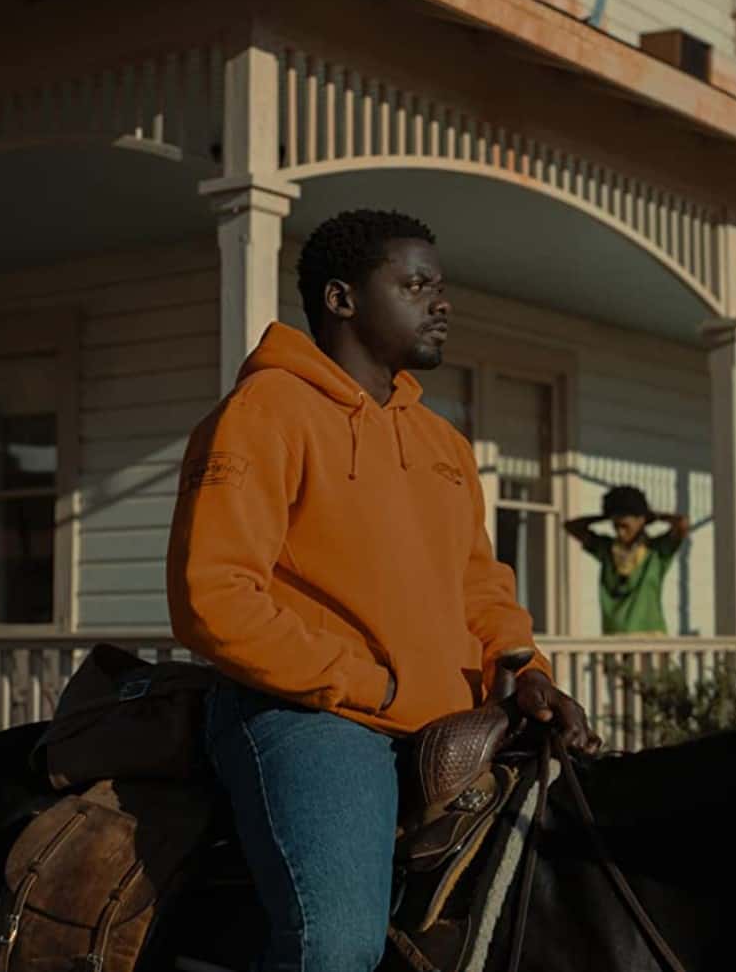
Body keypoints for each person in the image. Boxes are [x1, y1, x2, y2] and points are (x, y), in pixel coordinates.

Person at [166, 208, 600, 972]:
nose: (442, 303)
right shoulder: (263, 413)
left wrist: (526, 668)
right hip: (315, 718)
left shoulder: (443, 444)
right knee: (335, 950)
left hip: (457, 717)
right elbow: (215, 597)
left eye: (441, 287)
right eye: (415, 284)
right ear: (341, 299)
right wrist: (372, 683)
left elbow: (479, 582)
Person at [565, 485, 690, 636]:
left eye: (625, 526)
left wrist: (653, 515)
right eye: (615, 526)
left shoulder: (656, 551)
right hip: (614, 639)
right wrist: (605, 515)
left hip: (650, 640)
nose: (620, 532)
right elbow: (571, 527)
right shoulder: (607, 549)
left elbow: (682, 524)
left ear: (641, 521)